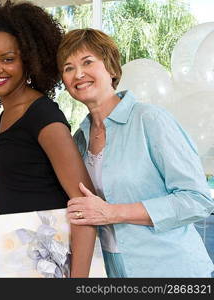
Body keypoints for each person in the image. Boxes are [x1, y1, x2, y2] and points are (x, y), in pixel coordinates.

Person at [0, 0, 96, 277]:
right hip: (17, 257)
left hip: (50, 263)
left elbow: (86, 206)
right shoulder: (4, 114)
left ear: (29, 60)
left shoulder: (42, 115)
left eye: (8, 59)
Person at [58, 28, 214, 277]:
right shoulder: (78, 140)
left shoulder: (150, 120)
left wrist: (112, 212)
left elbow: (197, 200)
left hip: (172, 270)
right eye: (68, 68)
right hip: (115, 270)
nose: (78, 74)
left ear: (110, 68)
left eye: (87, 62)